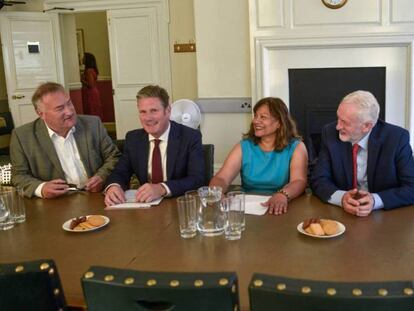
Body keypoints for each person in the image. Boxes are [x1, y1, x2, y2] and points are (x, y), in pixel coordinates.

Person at [311, 90, 414, 216]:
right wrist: (342, 198)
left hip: (385, 216)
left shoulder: (396, 138)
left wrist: (375, 200)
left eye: (345, 122)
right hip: (341, 214)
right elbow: (318, 179)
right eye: (338, 118)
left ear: (367, 126)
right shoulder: (330, 133)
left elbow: (411, 187)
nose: (338, 126)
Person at [10, 82, 121, 198]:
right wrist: (41, 188)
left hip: (95, 196)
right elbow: (18, 175)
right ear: (41, 114)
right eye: (59, 108)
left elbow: (114, 157)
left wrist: (101, 177)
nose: (69, 111)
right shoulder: (22, 136)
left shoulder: (93, 124)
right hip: (56, 203)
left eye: (69, 103)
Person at [104, 85, 205, 206]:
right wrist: (114, 186)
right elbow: (120, 172)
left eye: (154, 111)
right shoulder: (133, 139)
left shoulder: (190, 137)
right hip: (144, 207)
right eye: (143, 112)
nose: (148, 118)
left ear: (167, 110)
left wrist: (161, 188)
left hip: (178, 205)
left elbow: (197, 179)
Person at [209, 97, 308, 215]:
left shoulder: (296, 147)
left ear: (279, 123)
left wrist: (283, 195)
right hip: (249, 206)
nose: (256, 121)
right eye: (255, 116)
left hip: (282, 205)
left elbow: (299, 181)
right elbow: (222, 178)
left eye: (263, 117)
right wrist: (217, 194)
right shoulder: (244, 146)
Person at [81, 52, 104, 119]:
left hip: (91, 93)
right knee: (94, 110)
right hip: (93, 92)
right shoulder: (92, 70)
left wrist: (82, 80)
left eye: (84, 58)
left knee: (92, 111)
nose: (82, 59)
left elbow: (91, 85)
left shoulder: (88, 71)